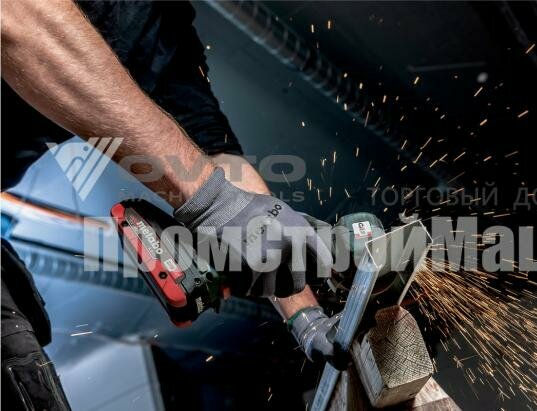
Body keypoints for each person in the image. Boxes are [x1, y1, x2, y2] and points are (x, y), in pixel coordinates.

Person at [1, 1, 338, 409]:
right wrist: (214, 203)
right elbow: (16, 18)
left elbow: (217, 158)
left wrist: (305, 316)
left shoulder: (163, 26)